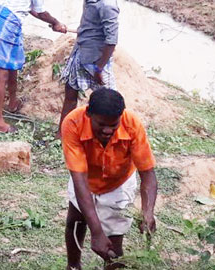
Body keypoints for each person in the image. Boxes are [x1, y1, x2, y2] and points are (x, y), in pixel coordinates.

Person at [61, 89, 157, 270]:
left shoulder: (132, 124)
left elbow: (148, 174)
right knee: (75, 220)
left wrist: (148, 212)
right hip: (85, 179)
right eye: (101, 124)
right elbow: (79, 179)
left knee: (113, 239)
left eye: (113, 125)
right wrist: (96, 232)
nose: (107, 131)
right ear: (89, 114)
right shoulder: (73, 122)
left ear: (121, 116)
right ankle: (73, 266)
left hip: (119, 182)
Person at [0, 0, 66, 133]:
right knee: (1, 74)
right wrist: (56, 23)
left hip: (3, 19)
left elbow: (30, 8)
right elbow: (41, 11)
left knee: (12, 66)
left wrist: (52, 23)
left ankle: (13, 102)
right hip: (7, 23)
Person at [59, 0, 119, 129]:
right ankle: (62, 132)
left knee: (108, 102)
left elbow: (111, 40)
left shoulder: (107, 4)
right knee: (70, 92)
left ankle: (113, 133)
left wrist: (99, 68)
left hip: (96, 60)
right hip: (80, 52)